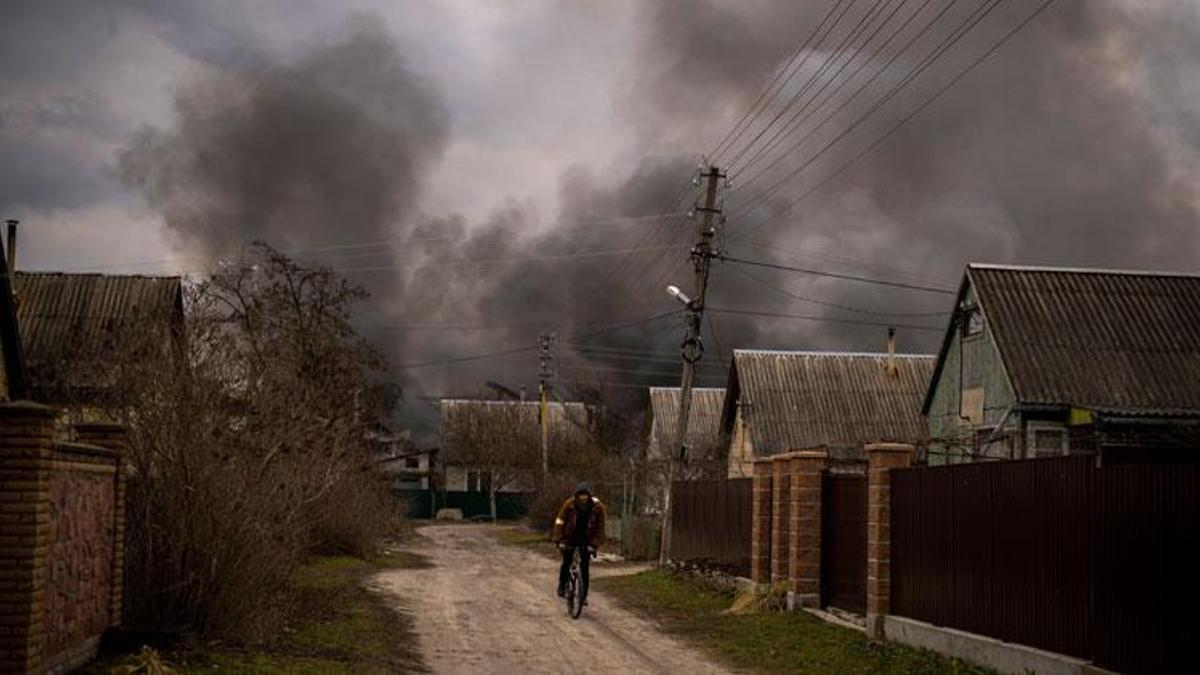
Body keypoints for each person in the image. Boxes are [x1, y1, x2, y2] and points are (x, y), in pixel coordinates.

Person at [552, 482, 606, 602]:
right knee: (567, 562)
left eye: (585, 495)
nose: (583, 498)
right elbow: (559, 522)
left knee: (585, 568)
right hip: (569, 538)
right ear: (576, 496)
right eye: (580, 495)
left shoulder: (598, 508)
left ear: (589, 496)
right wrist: (559, 540)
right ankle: (562, 585)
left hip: (587, 540)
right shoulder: (569, 505)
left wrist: (594, 545)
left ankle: (583, 595)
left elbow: (600, 529)